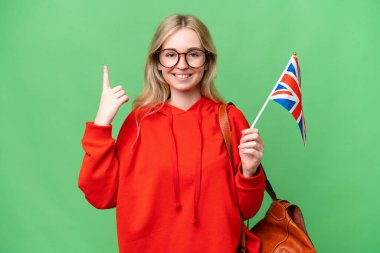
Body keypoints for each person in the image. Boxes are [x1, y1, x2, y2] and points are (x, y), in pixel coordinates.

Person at [78, 14, 266, 253]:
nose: (182, 64)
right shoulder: (137, 123)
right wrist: (101, 123)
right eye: (170, 54)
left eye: (193, 54)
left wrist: (250, 171)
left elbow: (247, 210)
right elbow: (101, 196)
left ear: (207, 61)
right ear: (157, 62)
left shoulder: (230, 120)